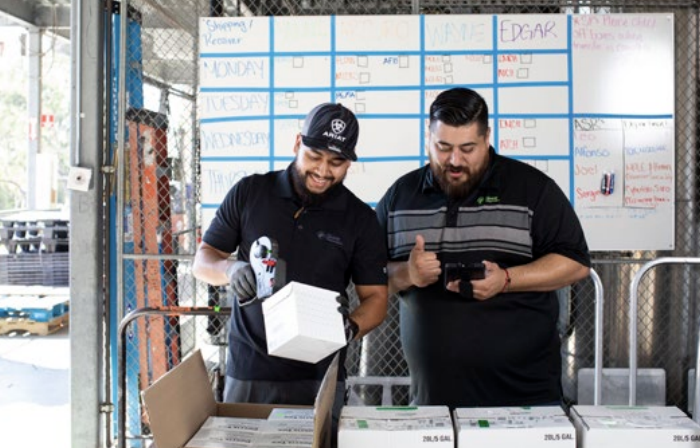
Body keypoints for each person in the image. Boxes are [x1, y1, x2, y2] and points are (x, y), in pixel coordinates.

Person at [375, 87, 591, 408]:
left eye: (467, 148)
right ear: (428, 138)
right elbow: (370, 277)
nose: (454, 160)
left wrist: (506, 280)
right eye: (443, 147)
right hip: (434, 403)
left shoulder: (532, 189)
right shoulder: (400, 197)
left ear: (487, 137)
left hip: (525, 401)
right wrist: (407, 273)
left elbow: (575, 263)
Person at [192, 103, 388, 424]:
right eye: (314, 156)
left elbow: (376, 299)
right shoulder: (251, 192)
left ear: (349, 163)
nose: (324, 171)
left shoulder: (360, 219)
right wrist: (230, 270)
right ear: (298, 144)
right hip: (251, 370)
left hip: (320, 373)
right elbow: (203, 260)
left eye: (337, 162)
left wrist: (350, 327)